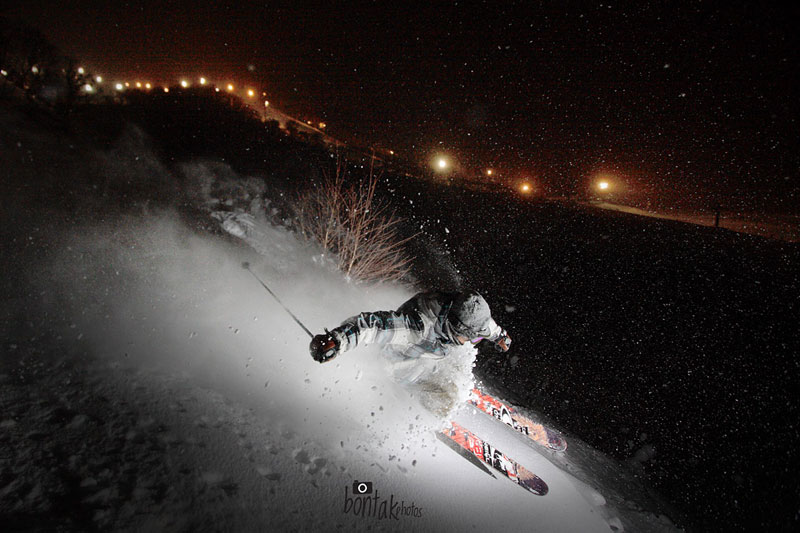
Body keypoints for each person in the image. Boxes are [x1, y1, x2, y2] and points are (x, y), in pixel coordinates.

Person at [309, 291, 511, 416]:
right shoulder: (416, 328)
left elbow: (486, 327)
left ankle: (434, 379)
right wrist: (337, 340)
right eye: (473, 338)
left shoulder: (461, 309)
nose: (472, 341)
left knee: (453, 368)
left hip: (425, 356)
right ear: (454, 328)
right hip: (397, 369)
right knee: (447, 400)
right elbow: (374, 325)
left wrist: (500, 336)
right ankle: (420, 408)